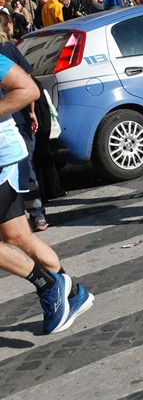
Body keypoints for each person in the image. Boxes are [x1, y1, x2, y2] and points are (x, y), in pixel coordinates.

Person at [0, 54, 94, 334]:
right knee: (17, 236)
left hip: (3, 159)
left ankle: (49, 285)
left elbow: (28, 88)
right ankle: (73, 292)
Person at [0, 12, 48, 231]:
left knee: (24, 167)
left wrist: (31, 111)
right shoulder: (9, 49)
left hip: (14, 120)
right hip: (19, 116)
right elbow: (28, 80)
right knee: (26, 168)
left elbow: (28, 86)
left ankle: (35, 214)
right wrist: (31, 112)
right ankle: (35, 215)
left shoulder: (8, 51)